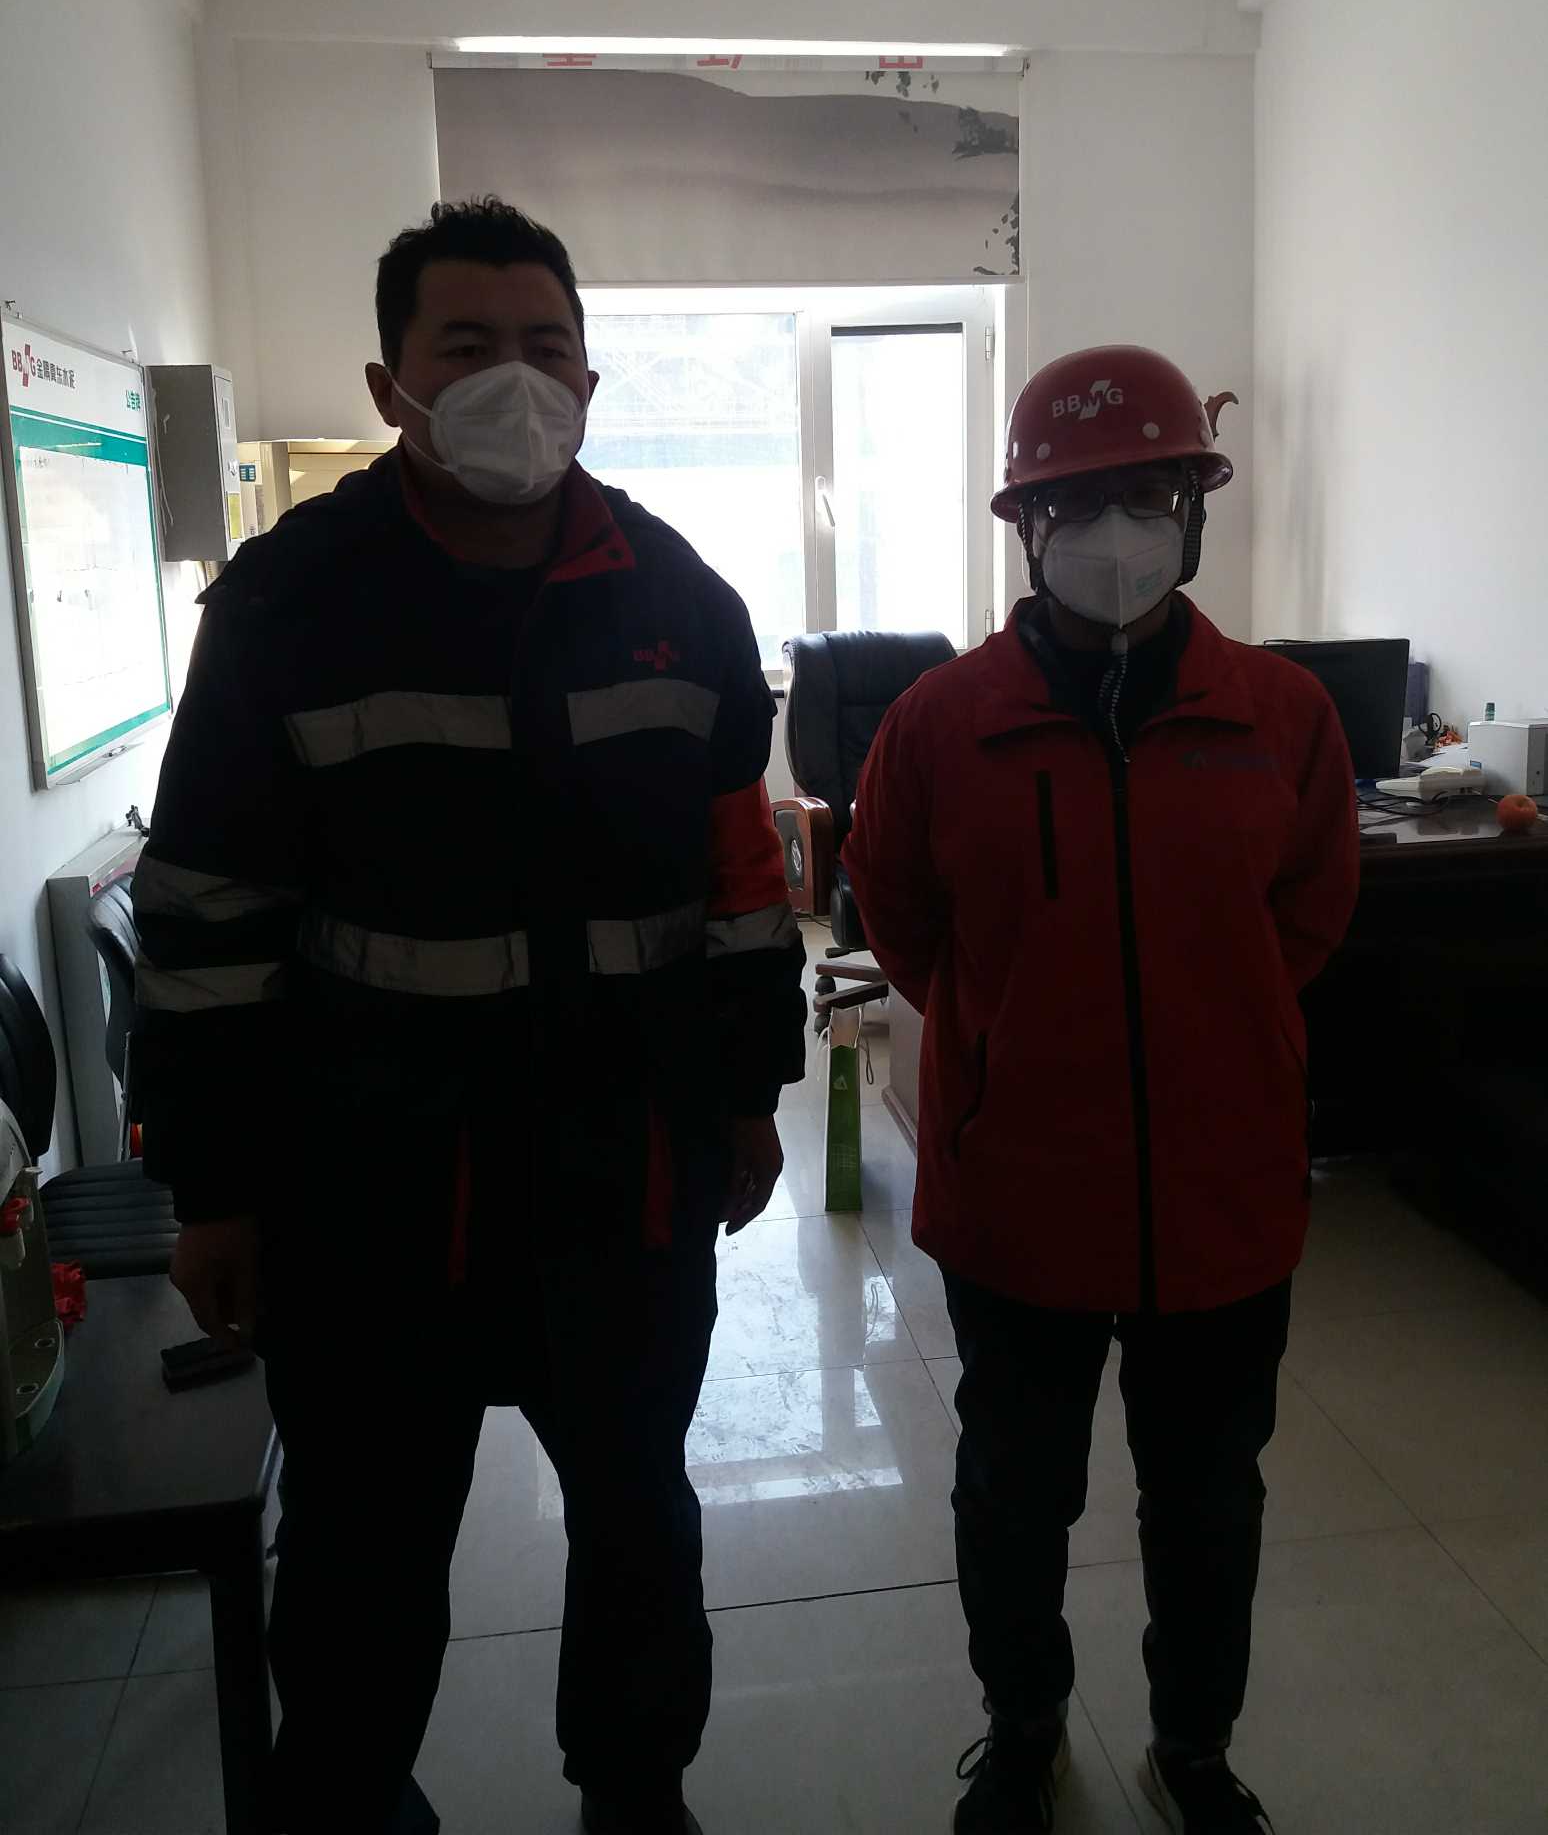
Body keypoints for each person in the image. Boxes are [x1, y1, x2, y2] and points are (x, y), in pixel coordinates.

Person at [131, 198, 806, 1835]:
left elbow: (742, 886)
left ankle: (636, 1796)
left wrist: (747, 1092)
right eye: (469, 347)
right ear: (392, 387)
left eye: (546, 347)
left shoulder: (680, 598)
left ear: (591, 381)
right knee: (361, 1553)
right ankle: (356, 1801)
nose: (516, 378)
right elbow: (209, 916)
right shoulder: (290, 606)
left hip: (622, 1174)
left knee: (638, 1525)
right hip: (369, 1189)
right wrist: (215, 1187)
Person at [845, 346, 1359, 1835]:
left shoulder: (1282, 716)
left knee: (1208, 1502)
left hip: (1223, 1198)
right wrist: (1020, 1040)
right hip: (1020, 1199)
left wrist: (1214, 1032)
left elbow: (1310, 912)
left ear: (1193, 513)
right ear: (1025, 524)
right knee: (1014, 1499)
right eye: (1079, 503)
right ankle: (1022, 1732)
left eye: (1146, 496)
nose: (1115, 532)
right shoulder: (940, 724)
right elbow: (903, 923)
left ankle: (1194, 1747)